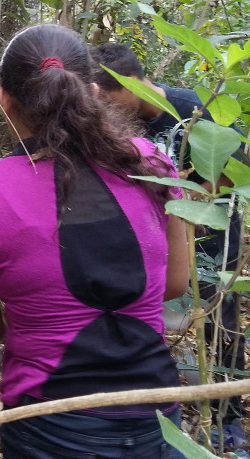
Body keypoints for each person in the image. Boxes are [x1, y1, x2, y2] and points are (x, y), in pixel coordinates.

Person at [0, 24, 189, 457]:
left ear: (3, 99)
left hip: (48, 422)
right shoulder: (153, 164)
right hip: (156, 411)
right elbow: (173, 284)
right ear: (92, 90)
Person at [93, 43, 248, 433]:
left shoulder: (198, 109)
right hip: (152, 243)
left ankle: (226, 418)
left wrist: (188, 199)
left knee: (220, 323)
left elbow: (236, 165)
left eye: (109, 101)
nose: (105, 114)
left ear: (132, 84)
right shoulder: (115, 124)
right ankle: (160, 410)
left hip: (211, 240)